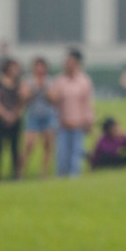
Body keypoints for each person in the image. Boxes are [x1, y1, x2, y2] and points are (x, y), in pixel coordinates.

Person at [49, 49, 96, 178]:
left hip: (78, 122)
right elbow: (53, 100)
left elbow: (87, 103)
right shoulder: (59, 80)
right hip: (63, 123)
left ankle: (74, 176)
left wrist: (89, 121)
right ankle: (61, 175)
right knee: (62, 153)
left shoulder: (84, 80)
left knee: (76, 153)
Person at [22, 57, 59, 176]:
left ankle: (44, 171)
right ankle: (21, 170)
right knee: (29, 144)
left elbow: (53, 98)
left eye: (42, 67)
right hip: (33, 115)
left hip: (48, 115)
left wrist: (44, 87)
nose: (40, 69)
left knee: (48, 145)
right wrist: (35, 87)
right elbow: (24, 96)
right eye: (37, 67)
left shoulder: (50, 81)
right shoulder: (28, 81)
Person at [0, 58, 24, 179]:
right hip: (1, 119)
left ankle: (15, 174)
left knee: (15, 148)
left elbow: (21, 101)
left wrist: (15, 114)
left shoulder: (18, 82)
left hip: (15, 119)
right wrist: (5, 114)